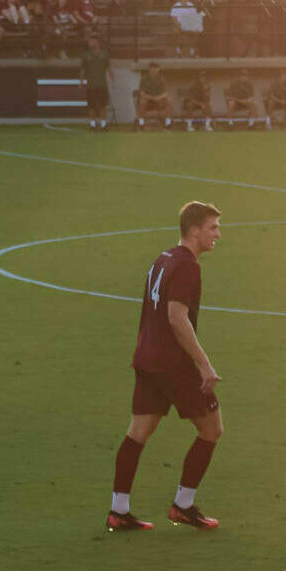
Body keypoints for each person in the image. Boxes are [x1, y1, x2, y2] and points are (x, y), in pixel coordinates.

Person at [107, 200, 226, 533]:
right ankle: (183, 506)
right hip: (174, 365)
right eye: (213, 227)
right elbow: (176, 317)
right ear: (194, 230)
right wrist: (204, 364)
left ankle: (118, 511)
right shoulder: (187, 266)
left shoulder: (163, 259)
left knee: (137, 434)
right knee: (212, 430)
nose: (217, 234)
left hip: (147, 359)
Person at [78, 35, 110, 130]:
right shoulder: (86, 55)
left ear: (97, 42)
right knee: (91, 106)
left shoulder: (104, 54)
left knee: (103, 106)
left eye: (91, 41)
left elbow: (108, 67)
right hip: (91, 85)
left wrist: (112, 80)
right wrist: (81, 81)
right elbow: (82, 69)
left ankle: (103, 125)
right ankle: (92, 125)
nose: (89, 43)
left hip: (102, 85)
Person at [134, 63, 173, 129]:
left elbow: (165, 93)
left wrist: (158, 98)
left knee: (169, 101)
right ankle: (141, 124)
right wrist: (151, 97)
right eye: (152, 68)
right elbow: (142, 93)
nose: (154, 70)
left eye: (156, 68)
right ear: (149, 69)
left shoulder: (161, 78)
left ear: (158, 69)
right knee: (141, 102)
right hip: (147, 99)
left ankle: (168, 124)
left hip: (159, 99)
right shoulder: (144, 78)